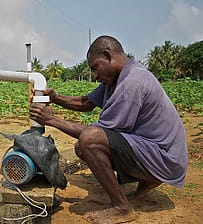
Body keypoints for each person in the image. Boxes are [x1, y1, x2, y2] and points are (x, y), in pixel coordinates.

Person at [29, 35, 188, 224]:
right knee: (84, 145)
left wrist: (51, 119)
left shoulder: (132, 82)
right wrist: (55, 98)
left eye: (95, 67)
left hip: (166, 158)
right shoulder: (118, 77)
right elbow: (87, 103)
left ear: (108, 55)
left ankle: (122, 208)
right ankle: (148, 179)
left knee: (88, 142)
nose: (95, 75)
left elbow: (95, 135)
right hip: (160, 152)